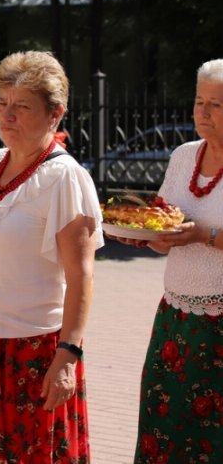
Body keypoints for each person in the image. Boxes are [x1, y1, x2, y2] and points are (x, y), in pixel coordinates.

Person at [0, 51, 101, 463]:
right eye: (1, 103)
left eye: (21, 106)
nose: (6, 116)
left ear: (55, 114)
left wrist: (68, 355)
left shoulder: (65, 178)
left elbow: (81, 278)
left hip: (31, 353)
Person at [108, 59, 223, 463]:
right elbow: (166, 227)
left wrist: (205, 236)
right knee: (166, 425)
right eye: (199, 102)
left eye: (216, 105)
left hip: (220, 324)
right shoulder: (184, 156)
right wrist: (141, 238)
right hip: (176, 316)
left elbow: (193, 231)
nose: (204, 113)